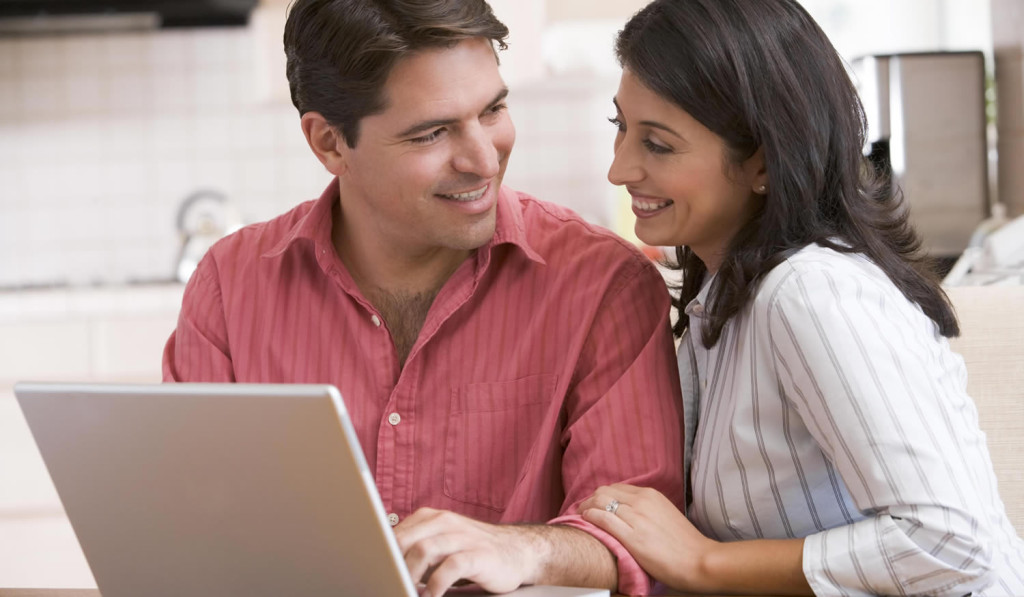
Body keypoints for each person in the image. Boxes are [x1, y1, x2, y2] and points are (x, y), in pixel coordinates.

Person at [162, 0, 685, 595]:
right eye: (432, 133)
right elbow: (188, 527)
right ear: (330, 143)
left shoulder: (602, 285)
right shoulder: (230, 287)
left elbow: (640, 540)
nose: (484, 160)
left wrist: (521, 548)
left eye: (493, 110)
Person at [578, 0, 1024, 595]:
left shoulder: (811, 292)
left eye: (658, 144)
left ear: (760, 162)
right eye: (621, 129)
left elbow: (947, 542)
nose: (620, 168)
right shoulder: (724, 297)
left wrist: (703, 564)